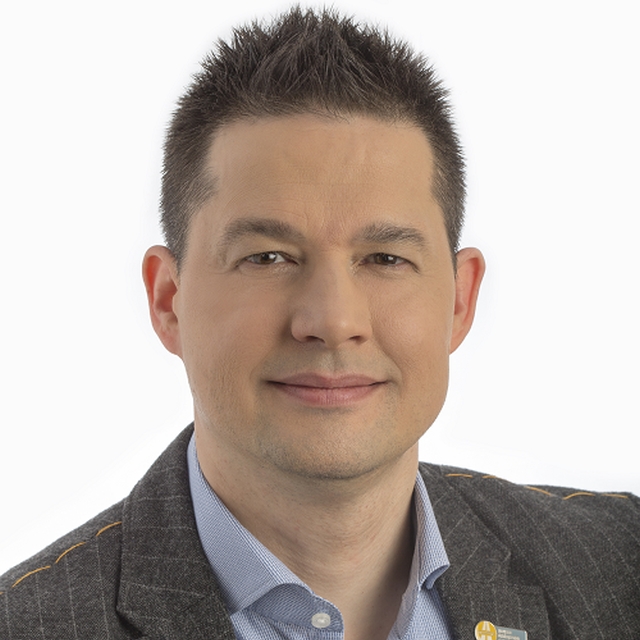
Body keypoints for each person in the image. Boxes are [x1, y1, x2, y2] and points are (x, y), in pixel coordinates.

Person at [1, 7, 638, 640]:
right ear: (169, 300)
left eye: (385, 259)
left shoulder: (621, 567)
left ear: (459, 301)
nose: (333, 321)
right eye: (268, 258)